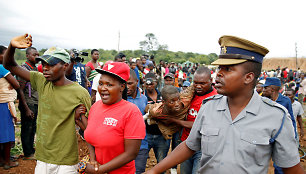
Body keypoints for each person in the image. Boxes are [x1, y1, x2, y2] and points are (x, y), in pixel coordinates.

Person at [146, 35, 303, 174]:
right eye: (219, 67)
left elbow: (291, 168)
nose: (219, 73)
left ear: (248, 77)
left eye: (228, 69)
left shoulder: (275, 116)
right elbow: (190, 146)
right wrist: (154, 171)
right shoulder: (208, 107)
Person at [3, 34, 91, 174]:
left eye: (51, 64)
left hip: (66, 161)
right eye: (43, 64)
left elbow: (90, 130)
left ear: (65, 66)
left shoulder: (80, 93)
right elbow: (9, 65)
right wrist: (12, 46)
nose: (45, 68)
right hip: (42, 158)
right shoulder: (41, 81)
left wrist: (77, 119)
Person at [84, 62, 145, 174]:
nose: (103, 88)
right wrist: (93, 161)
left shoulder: (131, 112)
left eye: (109, 85)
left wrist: (100, 170)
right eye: (101, 83)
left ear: (122, 86)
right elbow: (90, 137)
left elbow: (131, 153)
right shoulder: (95, 106)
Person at [17, 47, 39, 160]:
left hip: (35, 102)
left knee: (33, 127)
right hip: (28, 103)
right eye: (34, 55)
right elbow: (19, 89)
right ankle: (27, 153)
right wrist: (26, 108)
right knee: (27, 127)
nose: (37, 57)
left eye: (37, 55)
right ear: (27, 56)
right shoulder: (23, 69)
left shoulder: (34, 68)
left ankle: (30, 149)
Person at [0, 45, 20, 170]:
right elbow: (16, 83)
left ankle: (2, 159)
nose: (7, 57)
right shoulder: (2, 68)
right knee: (7, 134)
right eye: (5, 54)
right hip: (4, 105)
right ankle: (7, 161)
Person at [126, 69, 149, 174]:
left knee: (139, 171)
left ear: (137, 82)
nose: (126, 87)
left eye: (129, 83)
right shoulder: (120, 99)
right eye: (124, 83)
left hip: (142, 144)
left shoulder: (144, 99)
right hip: (124, 146)